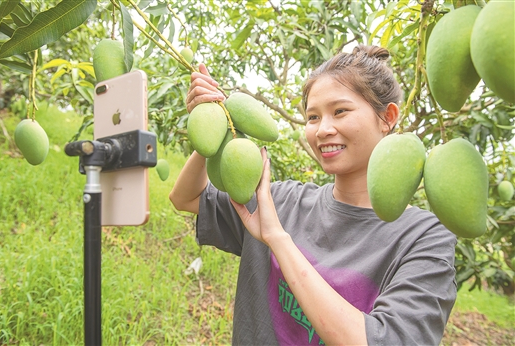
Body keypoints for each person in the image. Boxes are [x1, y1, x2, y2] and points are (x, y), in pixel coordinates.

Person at [170, 45, 457, 346]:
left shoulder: (424, 237)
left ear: (388, 117)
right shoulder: (281, 201)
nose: (323, 130)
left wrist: (278, 239)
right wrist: (213, 122)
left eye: (340, 111)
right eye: (313, 117)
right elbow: (186, 198)